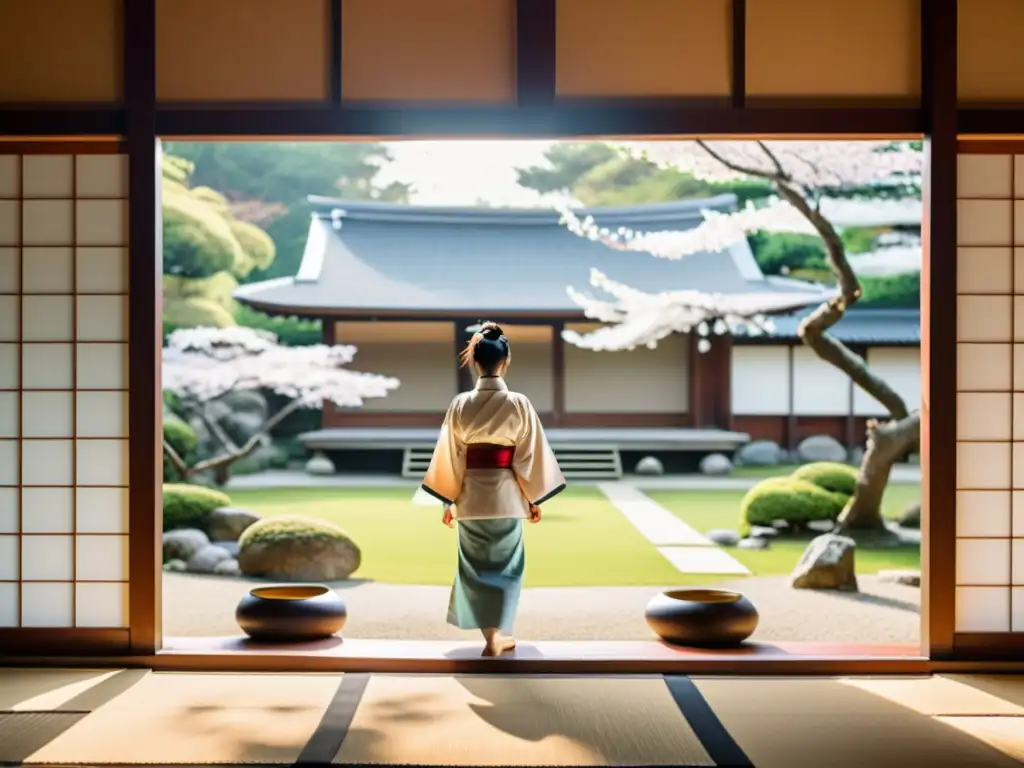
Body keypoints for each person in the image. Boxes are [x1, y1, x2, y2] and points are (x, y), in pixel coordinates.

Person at [421, 321, 566, 656]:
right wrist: (532, 497)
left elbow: (451, 456)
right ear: (505, 361)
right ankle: (499, 634)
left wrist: (448, 501)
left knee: (474, 570)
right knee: (508, 568)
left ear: (475, 362)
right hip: (507, 498)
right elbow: (529, 455)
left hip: (470, 499)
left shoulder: (460, 404)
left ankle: (490, 637)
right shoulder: (518, 404)